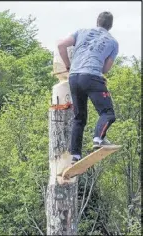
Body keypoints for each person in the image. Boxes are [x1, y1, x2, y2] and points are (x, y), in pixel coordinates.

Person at [57, 12, 118, 164]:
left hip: (74, 77)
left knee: (79, 118)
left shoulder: (81, 32)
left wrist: (68, 65)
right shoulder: (112, 42)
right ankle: (98, 138)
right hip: (92, 77)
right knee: (108, 113)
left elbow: (61, 45)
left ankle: (75, 155)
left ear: (97, 22)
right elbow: (104, 70)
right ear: (110, 26)